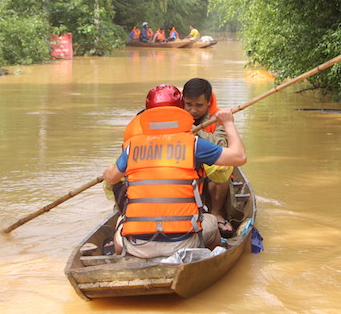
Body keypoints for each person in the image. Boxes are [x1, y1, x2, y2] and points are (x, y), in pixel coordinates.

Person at [103, 85, 247, 258]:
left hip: (138, 245)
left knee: (121, 221)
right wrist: (229, 123)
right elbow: (239, 157)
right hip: (182, 243)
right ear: (181, 109)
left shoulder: (131, 147)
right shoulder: (193, 144)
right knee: (210, 222)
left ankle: (125, 257)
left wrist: (109, 171)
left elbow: (111, 179)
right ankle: (204, 259)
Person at [182, 78, 234, 235]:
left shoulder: (220, 118)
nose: (193, 110)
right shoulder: (174, 116)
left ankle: (216, 212)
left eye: (199, 105)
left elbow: (221, 145)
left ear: (208, 102)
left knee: (222, 167)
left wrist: (192, 129)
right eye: (188, 104)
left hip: (208, 168)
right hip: (182, 166)